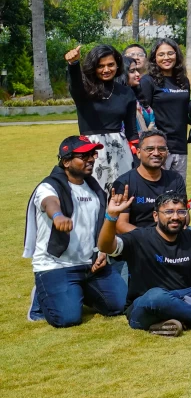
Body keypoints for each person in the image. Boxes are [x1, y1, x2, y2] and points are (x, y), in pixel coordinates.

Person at [98, 189, 191, 335]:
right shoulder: (140, 237)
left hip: (183, 297)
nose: (175, 217)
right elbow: (105, 246)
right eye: (169, 212)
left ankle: (178, 319)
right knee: (156, 296)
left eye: (181, 212)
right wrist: (111, 216)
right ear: (156, 216)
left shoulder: (190, 238)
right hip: (146, 306)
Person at [26, 136, 126, 327]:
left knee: (119, 305)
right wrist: (57, 216)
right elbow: (49, 202)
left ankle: (75, 291)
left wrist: (102, 251)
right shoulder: (48, 186)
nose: (91, 159)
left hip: (90, 265)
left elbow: (100, 225)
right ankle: (40, 296)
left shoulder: (94, 187)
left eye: (93, 154)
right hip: (57, 265)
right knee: (68, 319)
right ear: (66, 161)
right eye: (84, 155)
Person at [66, 44, 139, 188]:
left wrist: (137, 155)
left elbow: (131, 130)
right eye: (100, 66)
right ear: (93, 68)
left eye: (111, 65)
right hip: (91, 150)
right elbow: (75, 84)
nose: (106, 70)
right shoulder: (84, 90)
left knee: (122, 192)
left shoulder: (126, 92)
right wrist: (73, 64)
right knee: (93, 193)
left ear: (118, 65)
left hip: (120, 151)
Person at [136, 39, 191, 179]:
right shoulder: (148, 81)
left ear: (177, 55)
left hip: (180, 145)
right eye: (161, 54)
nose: (166, 58)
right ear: (155, 58)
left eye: (170, 53)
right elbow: (142, 116)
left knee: (178, 192)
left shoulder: (183, 81)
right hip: (158, 147)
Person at [111, 131, 186, 232]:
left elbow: (184, 216)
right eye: (150, 149)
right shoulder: (124, 183)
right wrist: (152, 239)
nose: (156, 153)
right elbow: (120, 225)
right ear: (138, 153)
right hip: (138, 240)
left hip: (170, 235)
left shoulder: (176, 179)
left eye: (161, 149)